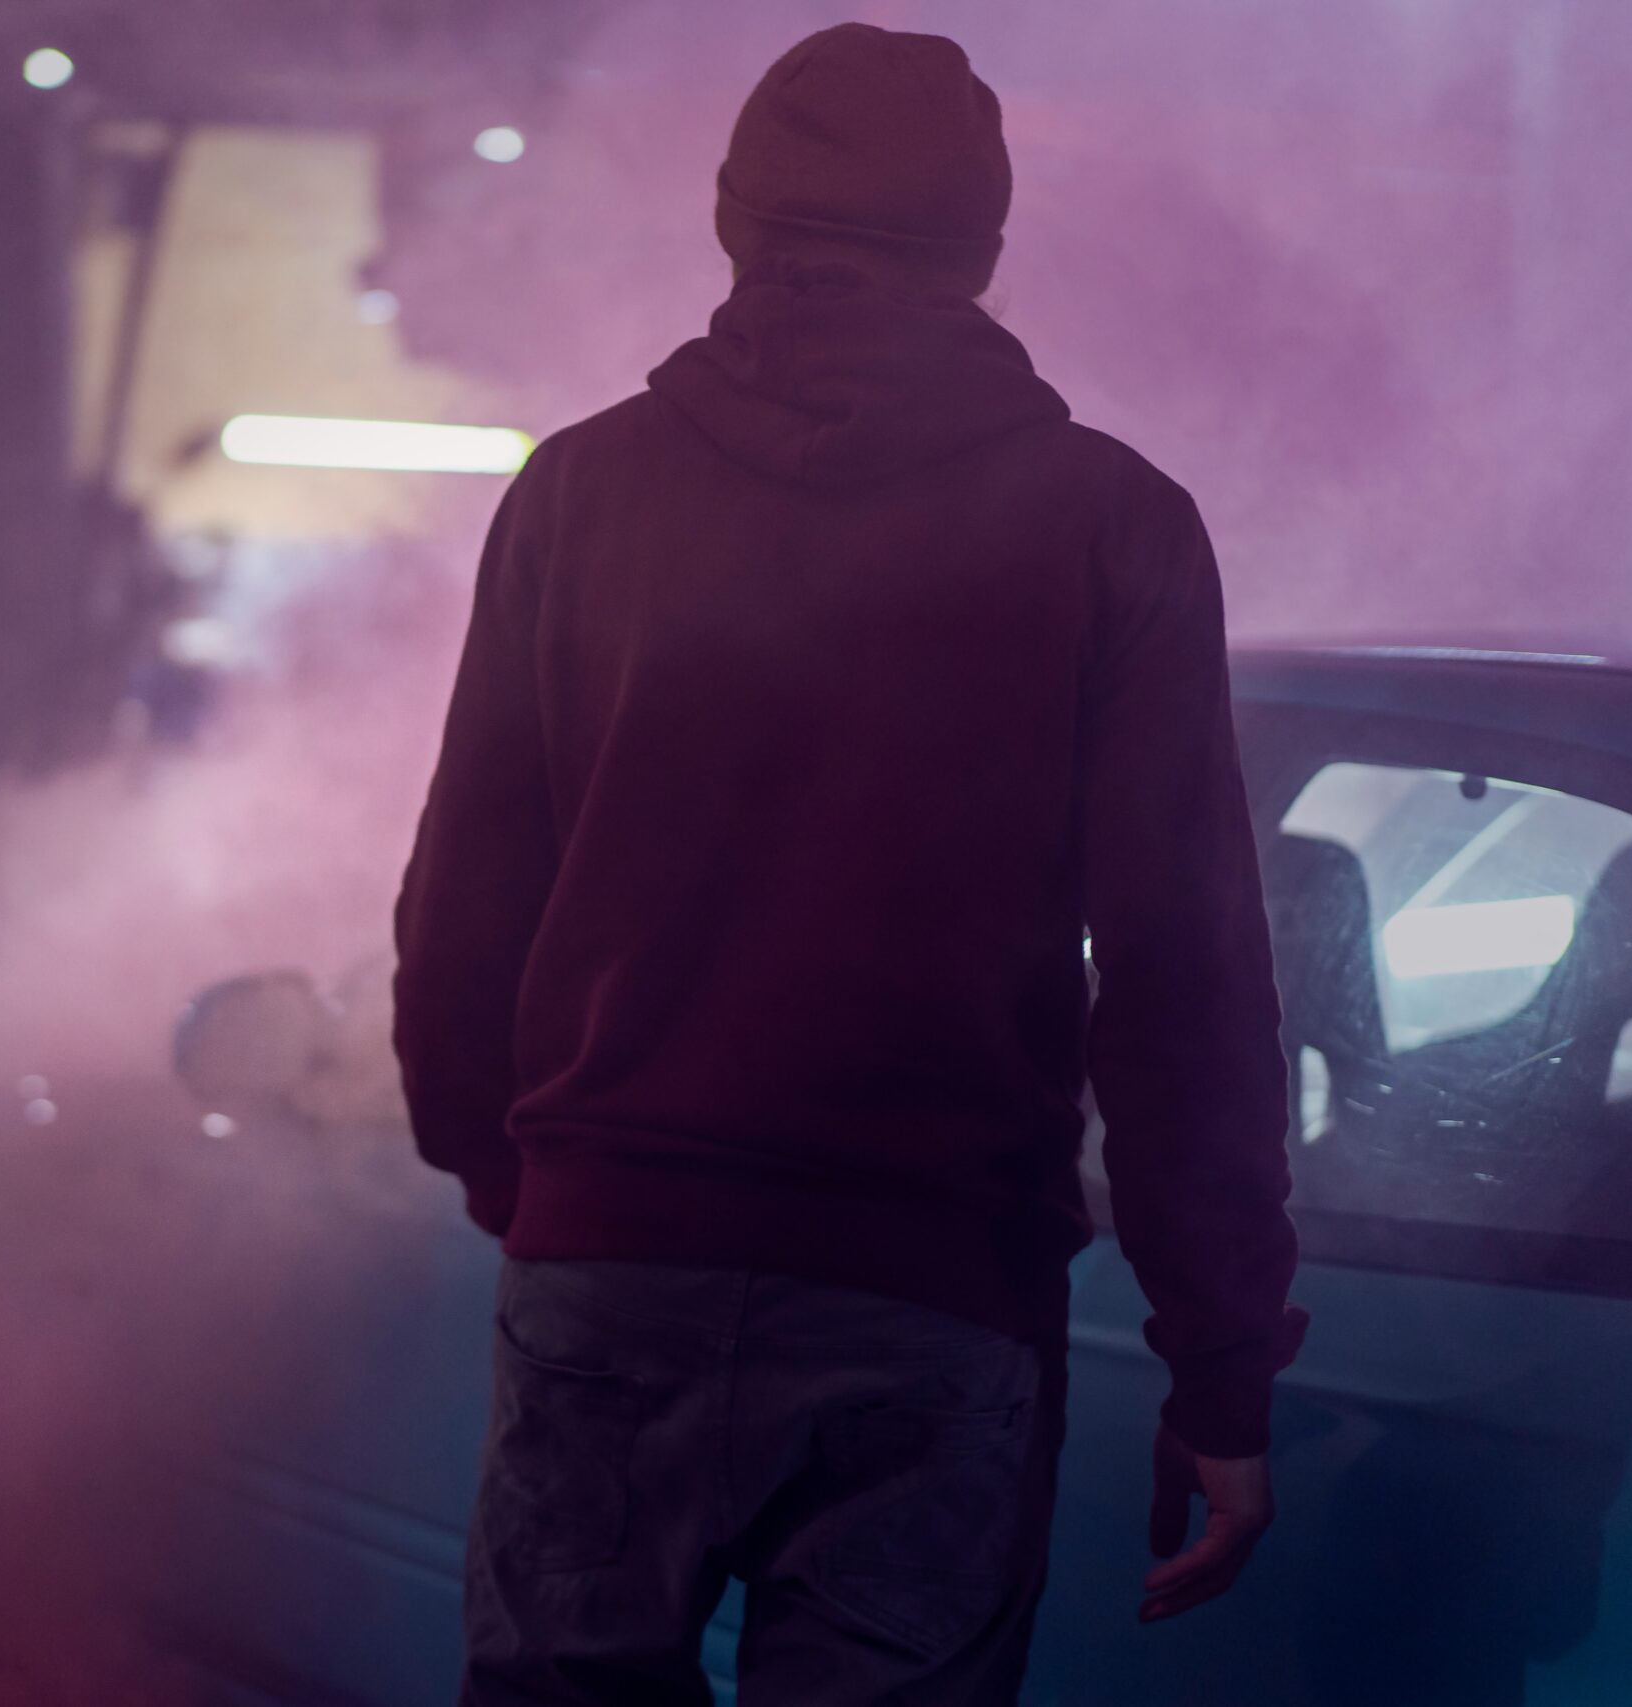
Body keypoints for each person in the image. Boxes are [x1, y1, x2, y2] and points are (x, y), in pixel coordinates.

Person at [392, 22, 1305, 1705]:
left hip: (614, 1275)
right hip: (934, 1296)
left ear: (736, 225)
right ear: (979, 251)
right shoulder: (1117, 530)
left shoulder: (581, 494)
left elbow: (465, 904)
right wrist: (1221, 1372)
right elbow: (1183, 989)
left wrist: (542, 1194)